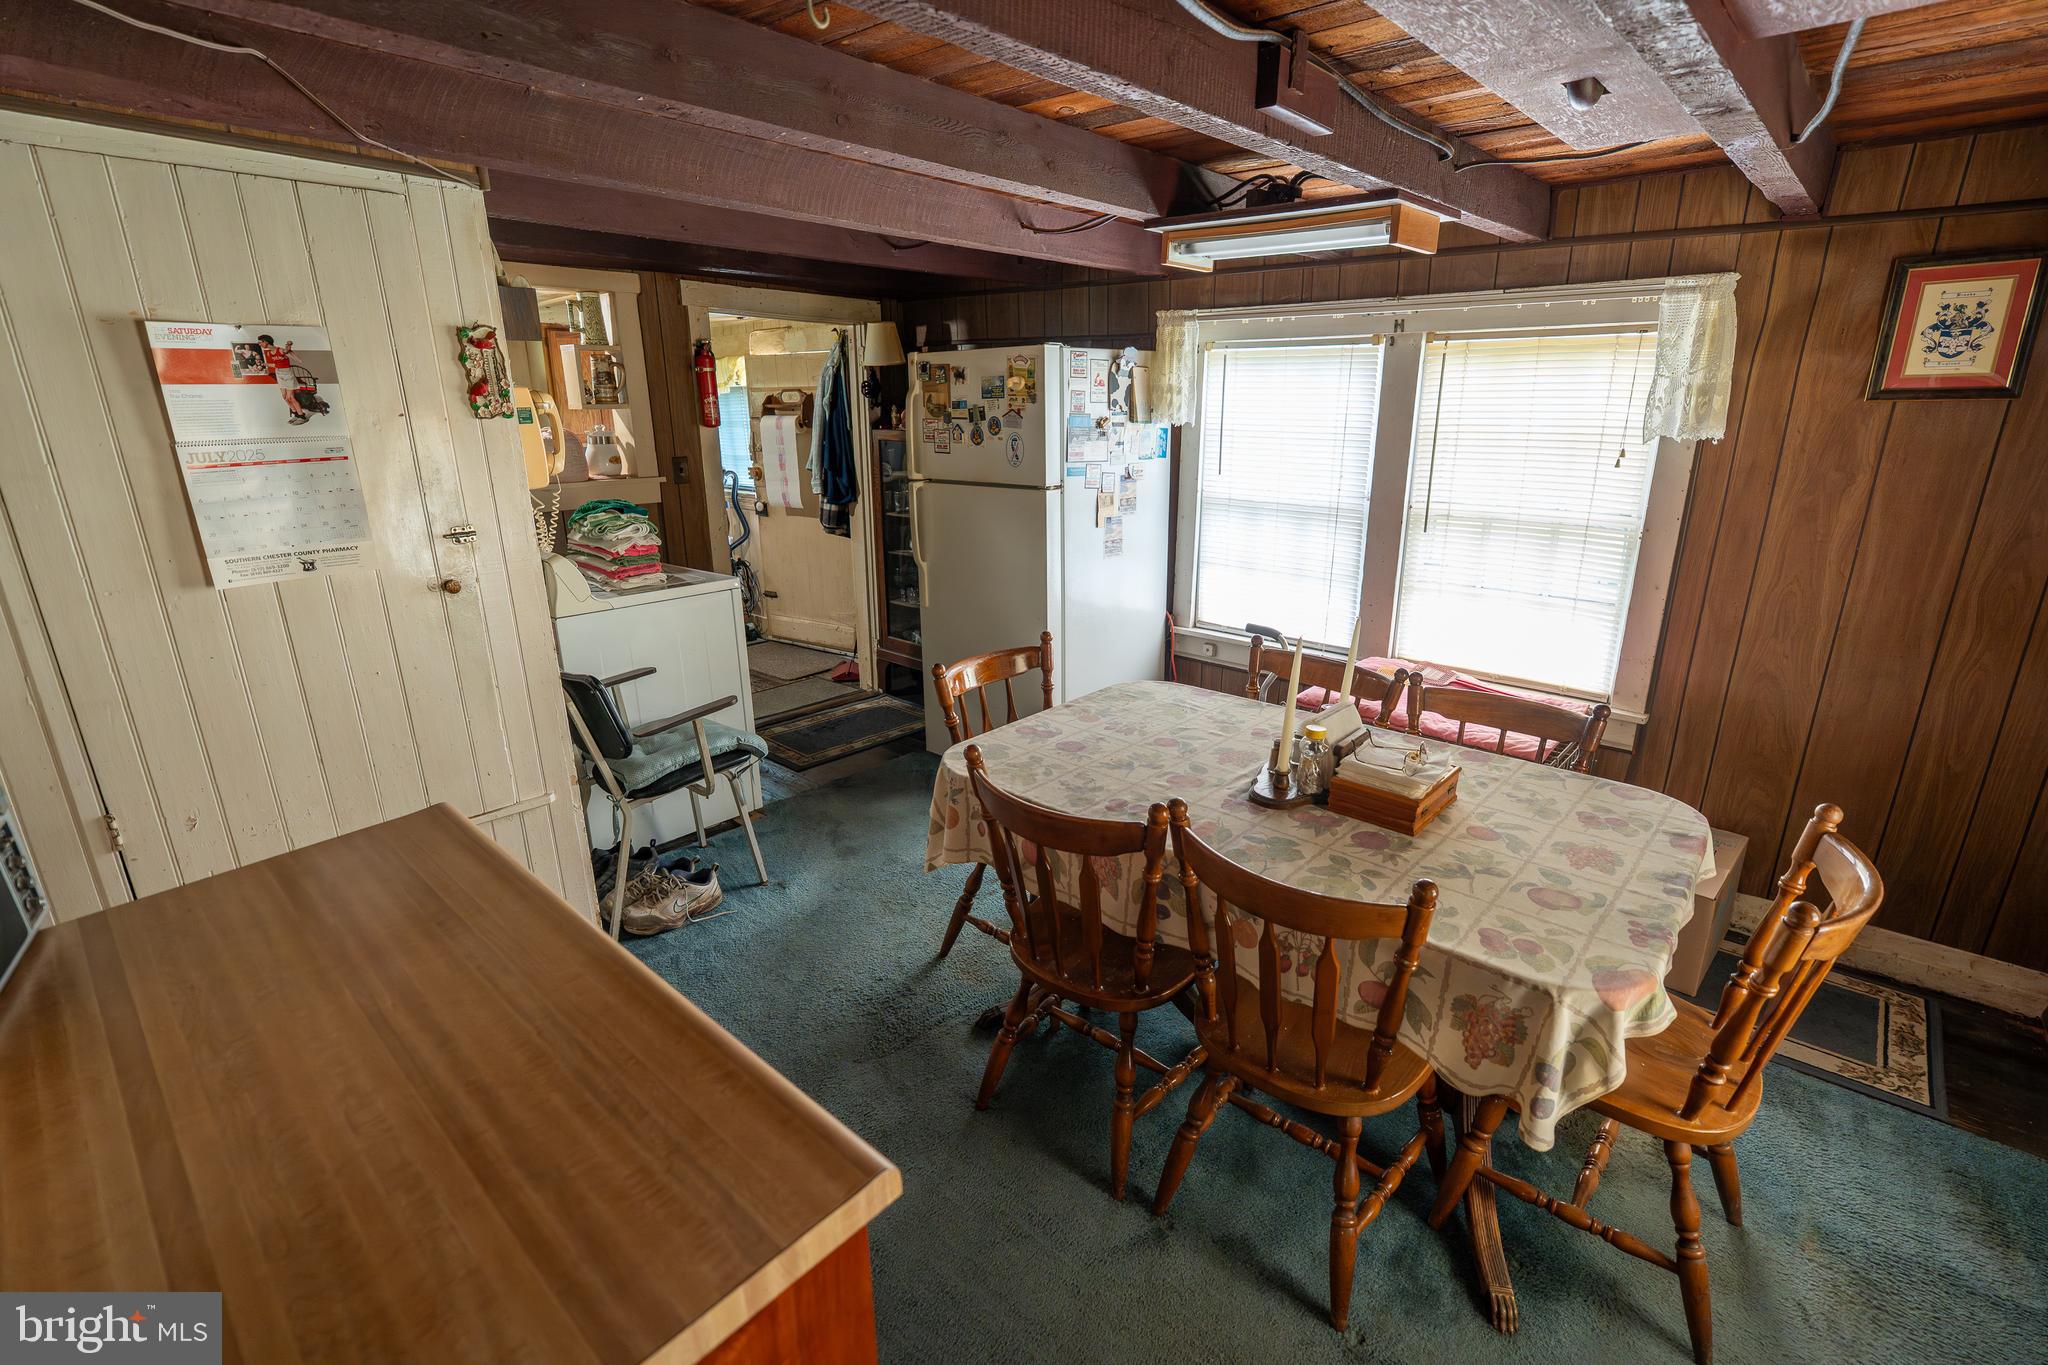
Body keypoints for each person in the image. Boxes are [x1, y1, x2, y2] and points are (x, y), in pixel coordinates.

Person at [257, 333, 307, 424]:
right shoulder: (268, 353)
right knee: (284, 397)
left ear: (266, 342)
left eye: (260, 342)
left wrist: (289, 344)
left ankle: (302, 416)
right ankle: (295, 415)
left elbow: (287, 351)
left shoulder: (280, 350)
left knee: (291, 397)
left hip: (287, 374)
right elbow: (277, 364)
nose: (259, 344)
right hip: (279, 373)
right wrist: (266, 364)